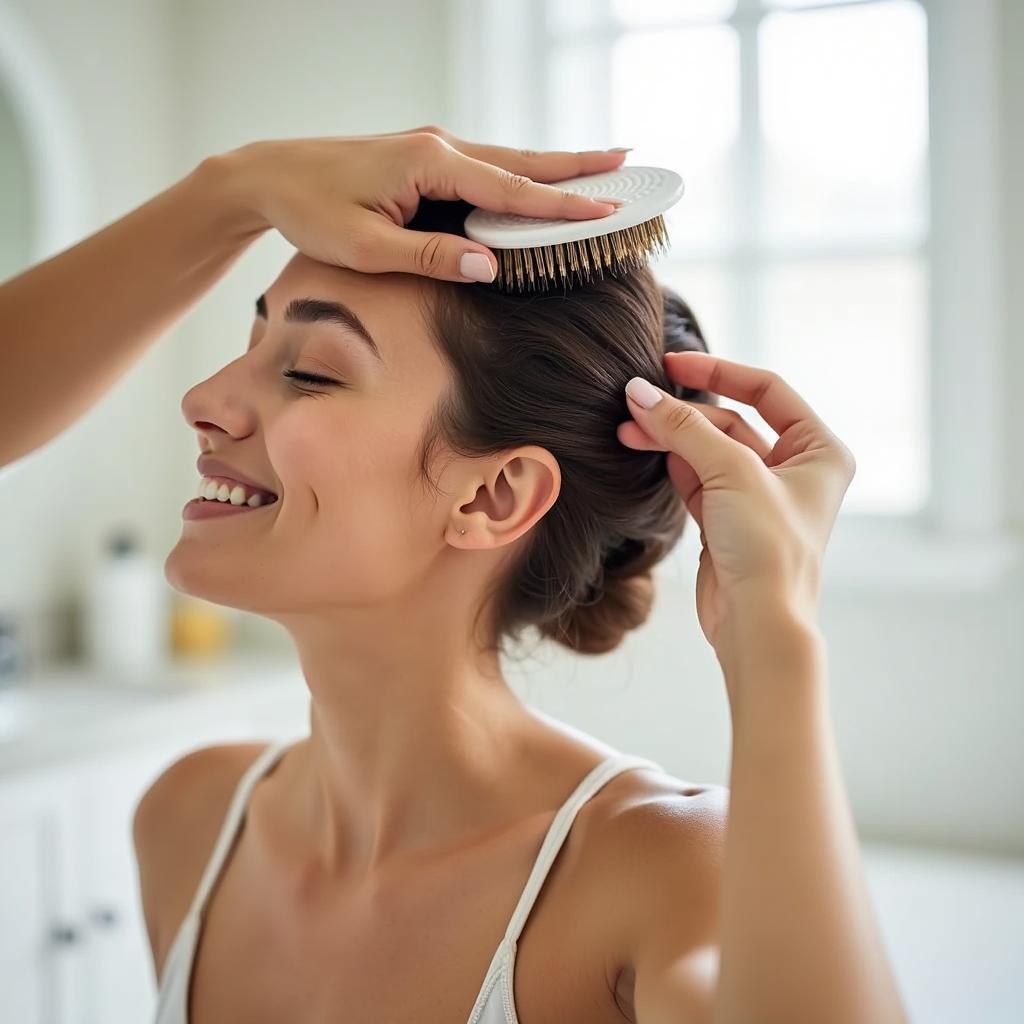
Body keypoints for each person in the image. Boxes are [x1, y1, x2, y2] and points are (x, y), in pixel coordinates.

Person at [1, 126, 907, 1021]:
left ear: (494, 496)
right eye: (253, 343)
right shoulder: (189, 821)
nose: (204, 402)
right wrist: (235, 185)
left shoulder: (661, 875)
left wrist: (773, 626)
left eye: (311, 373)